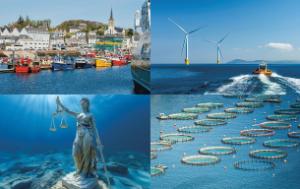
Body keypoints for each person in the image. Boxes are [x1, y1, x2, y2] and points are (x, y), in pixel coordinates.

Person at [56, 96, 103, 178]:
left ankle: (85, 172)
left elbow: (95, 128)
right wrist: (59, 103)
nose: (81, 103)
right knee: (75, 152)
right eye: (81, 101)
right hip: (78, 134)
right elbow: (67, 111)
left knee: (86, 153)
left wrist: (98, 140)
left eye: (84, 101)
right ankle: (79, 169)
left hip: (87, 133)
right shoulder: (78, 114)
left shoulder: (90, 114)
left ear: (87, 103)